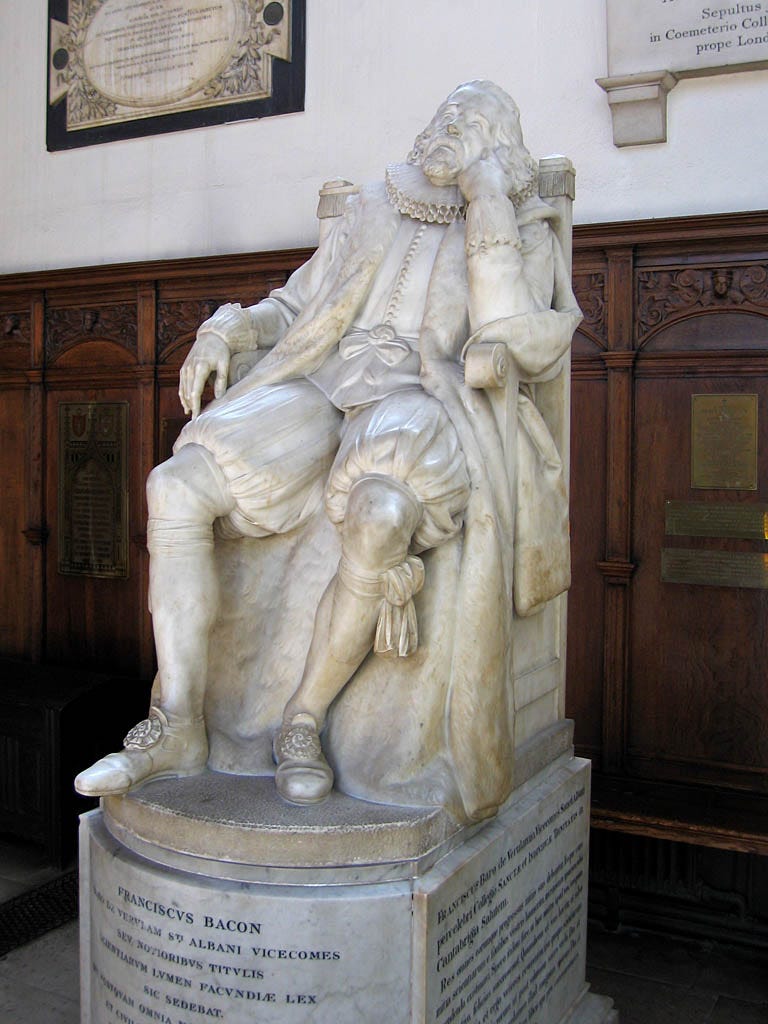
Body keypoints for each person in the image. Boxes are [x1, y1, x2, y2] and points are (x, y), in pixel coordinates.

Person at [76, 81, 581, 820]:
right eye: (443, 113)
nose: (447, 125)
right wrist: (228, 330)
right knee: (174, 487)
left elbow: (509, 327)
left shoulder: (521, 223)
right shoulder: (374, 205)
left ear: (499, 145)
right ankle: (177, 722)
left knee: (381, 513)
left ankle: (303, 721)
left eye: (470, 121)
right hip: (323, 383)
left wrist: (487, 198)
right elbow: (295, 306)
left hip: (424, 395)